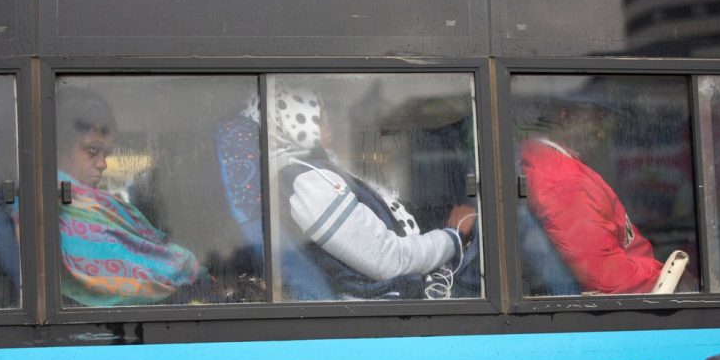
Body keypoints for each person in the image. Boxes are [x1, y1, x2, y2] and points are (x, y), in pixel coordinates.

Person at [273, 87, 478, 300]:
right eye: (321, 120)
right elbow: (388, 259)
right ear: (299, 125)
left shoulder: (314, 175)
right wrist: (454, 235)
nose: (329, 129)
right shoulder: (309, 185)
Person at [55, 86, 218, 306]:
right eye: (93, 150)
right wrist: (189, 267)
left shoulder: (88, 204)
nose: (103, 164)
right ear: (59, 146)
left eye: (106, 154)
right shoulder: (57, 207)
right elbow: (141, 269)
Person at [518, 97, 679, 294]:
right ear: (566, 117)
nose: (602, 133)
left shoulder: (554, 165)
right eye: (598, 120)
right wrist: (664, 276)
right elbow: (610, 279)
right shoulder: (564, 180)